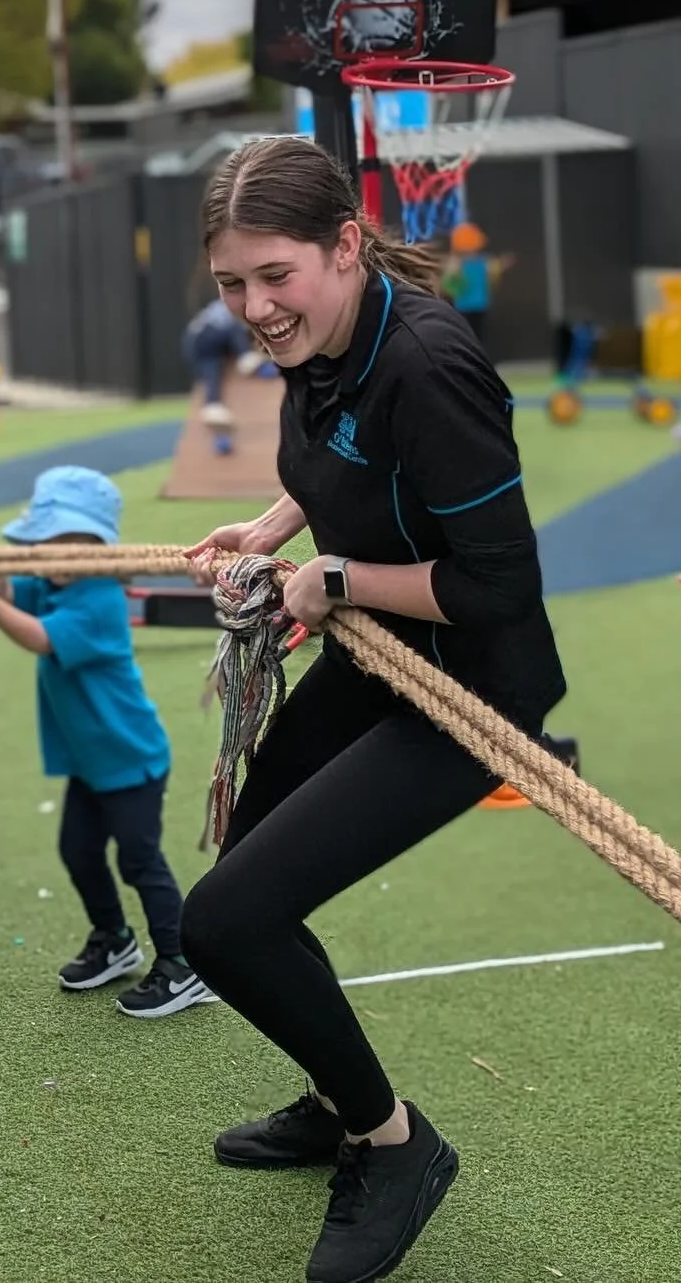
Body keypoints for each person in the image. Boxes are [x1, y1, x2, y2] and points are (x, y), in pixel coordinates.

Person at [179, 137, 565, 1283]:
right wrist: (270, 529)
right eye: (230, 285)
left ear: (345, 246)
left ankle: (395, 1147)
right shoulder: (325, 334)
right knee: (253, 868)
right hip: (385, 649)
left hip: (468, 690)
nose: (255, 307)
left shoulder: (432, 365)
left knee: (225, 922)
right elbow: (338, 464)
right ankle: (340, 1100)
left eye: (274, 276)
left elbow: (500, 584)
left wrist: (333, 582)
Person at [0, 467, 207, 1019]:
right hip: (90, 762)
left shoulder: (99, 600)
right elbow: (10, 587)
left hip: (129, 757)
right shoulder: (49, 580)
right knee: (78, 850)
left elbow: (38, 637)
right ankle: (114, 939)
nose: (54, 554)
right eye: (45, 540)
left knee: (140, 860)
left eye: (70, 542)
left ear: (99, 548)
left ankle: (182, 964)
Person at [182, 296, 257, 456]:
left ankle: (213, 406)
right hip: (210, 337)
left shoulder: (214, 308)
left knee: (212, 374)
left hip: (194, 344)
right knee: (235, 328)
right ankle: (246, 358)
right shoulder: (233, 308)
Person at [441, 221, 514, 354]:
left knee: (477, 336)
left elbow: (495, 268)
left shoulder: (483, 261)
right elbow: (448, 283)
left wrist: (502, 264)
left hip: (478, 306)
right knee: (467, 336)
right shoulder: (458, 264)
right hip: (464, 306)